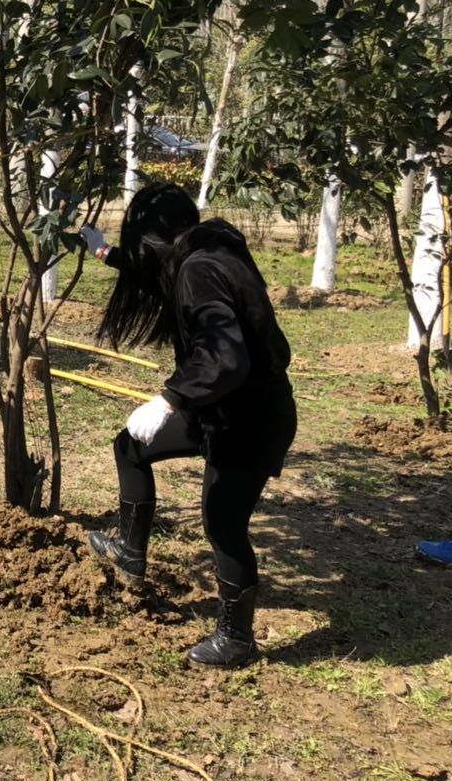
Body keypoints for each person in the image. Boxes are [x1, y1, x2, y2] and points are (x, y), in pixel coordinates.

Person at [81, 182, 295, 669]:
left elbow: (225, 358)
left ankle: (237, 639)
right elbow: (152, 272)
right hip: (218, 411)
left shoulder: (200, 269)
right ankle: (130, 551)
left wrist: (168, 400)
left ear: (153, 235)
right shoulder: (200, 253)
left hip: (249, 421)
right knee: (131, 447)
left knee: (224, 523)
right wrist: (103, 251)